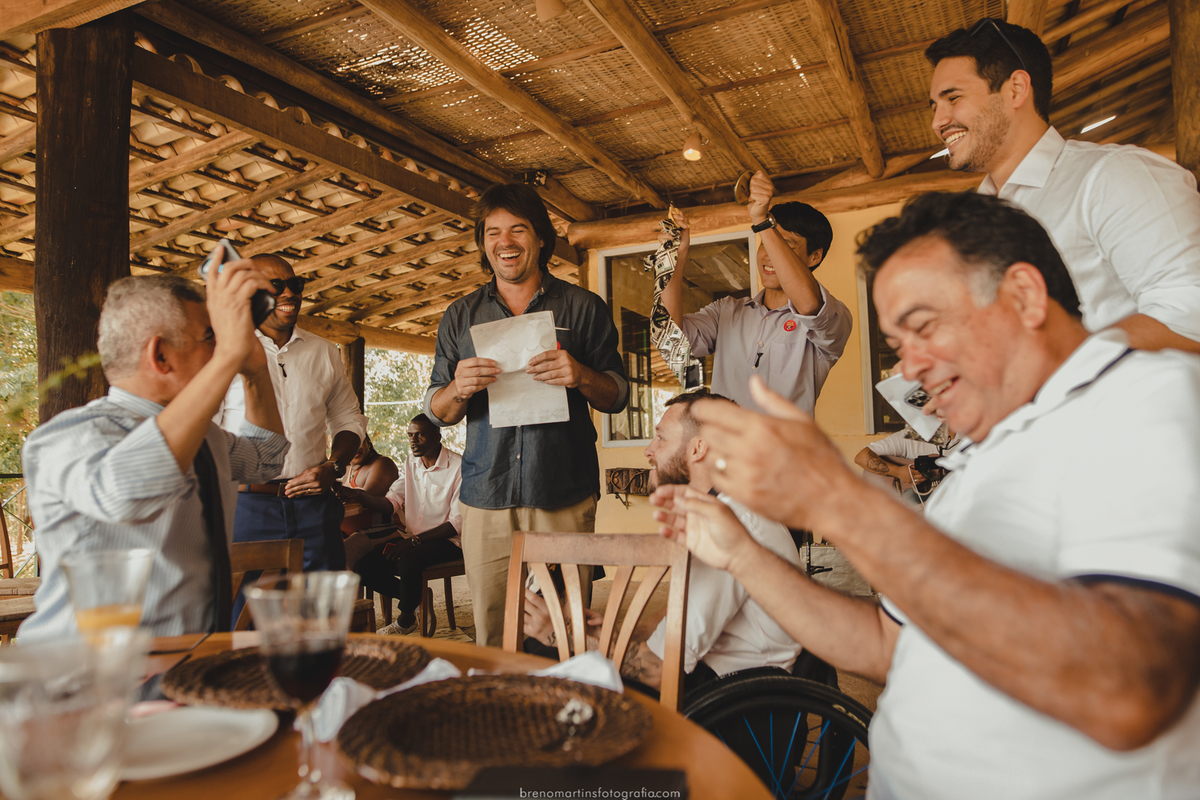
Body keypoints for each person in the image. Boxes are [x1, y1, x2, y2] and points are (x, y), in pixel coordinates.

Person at [651, 192, 1200, 798]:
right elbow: (887, 644)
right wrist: (742, 555)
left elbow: (1130, 690)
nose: (909, 370)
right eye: (899, 342)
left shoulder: (1143, 400)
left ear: (1023, 295)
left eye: (924, 328)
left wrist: (840, 502)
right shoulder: (975, 459)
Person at [20, 266, 288, 640]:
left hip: (184, 671)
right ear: (161, 355)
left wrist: (256, 373)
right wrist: (228, 356)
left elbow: (265, 458)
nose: (224, 345)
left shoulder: (205, 437)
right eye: (210, 337)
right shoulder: (70, 436)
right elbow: (125, 493)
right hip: (88, 680)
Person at [424, 182, 628, 647]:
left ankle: (567, 712)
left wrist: (579, 374)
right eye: (493, 232)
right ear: (482, 243)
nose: (505, 242)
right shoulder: (460, 316)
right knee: (494, 632)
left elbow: (617, 395)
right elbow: (437, 411)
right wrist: (458, 388)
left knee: (566, 630)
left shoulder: (583, 308)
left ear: (540, 239)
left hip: (563, 492)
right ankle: (503, 719)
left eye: (518, 229)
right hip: (486, 495)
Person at [926, 19, 1200, 353]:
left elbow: (1189, 316)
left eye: (952, 98)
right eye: (935, 106)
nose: (937, 122)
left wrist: (1049, 364)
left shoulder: (1112, 176)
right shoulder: (969, 222)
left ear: (1016, 89)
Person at [525, 389, 802, 695]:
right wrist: (611, 634)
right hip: (717, 677)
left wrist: (558, 633)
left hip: (730, 698)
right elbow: (677, 616)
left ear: (698, 449)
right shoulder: (727, 508)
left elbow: (657, 670)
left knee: (544, 652)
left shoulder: (728, 529)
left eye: (661, 439)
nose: (649, 449)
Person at [218, 253, 367, 573]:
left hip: (314, 509)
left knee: (319, 612)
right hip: (245, 507)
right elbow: (205, 432)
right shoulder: (224, 351)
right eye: (276, 285)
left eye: (295, 284)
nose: (289, 293)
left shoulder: (324, 352)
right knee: (244, 615)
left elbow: (347, 418)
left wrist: (334, 465)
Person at [660, 174, 852, 414]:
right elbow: (670, 339)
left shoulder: (834, 317)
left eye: (786, 244)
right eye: (766, 242)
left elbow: (810, 305)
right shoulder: (726, 310)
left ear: (814, 256)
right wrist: (673, 260)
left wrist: (763, 222)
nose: (768, 254)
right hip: (726, 450)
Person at [347, 415, 464, 636]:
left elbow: (456, 523)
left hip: (447, 540)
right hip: (413, 539)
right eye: (410, 435)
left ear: (438, 436)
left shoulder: (458, 467)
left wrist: (414, 541)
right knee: (364, 567)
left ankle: (405, 619)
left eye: (420, 435)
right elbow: (391, 502)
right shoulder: (411, 463)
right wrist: (357, 496)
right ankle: (418, 598)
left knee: (409, 560)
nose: (413, 440)